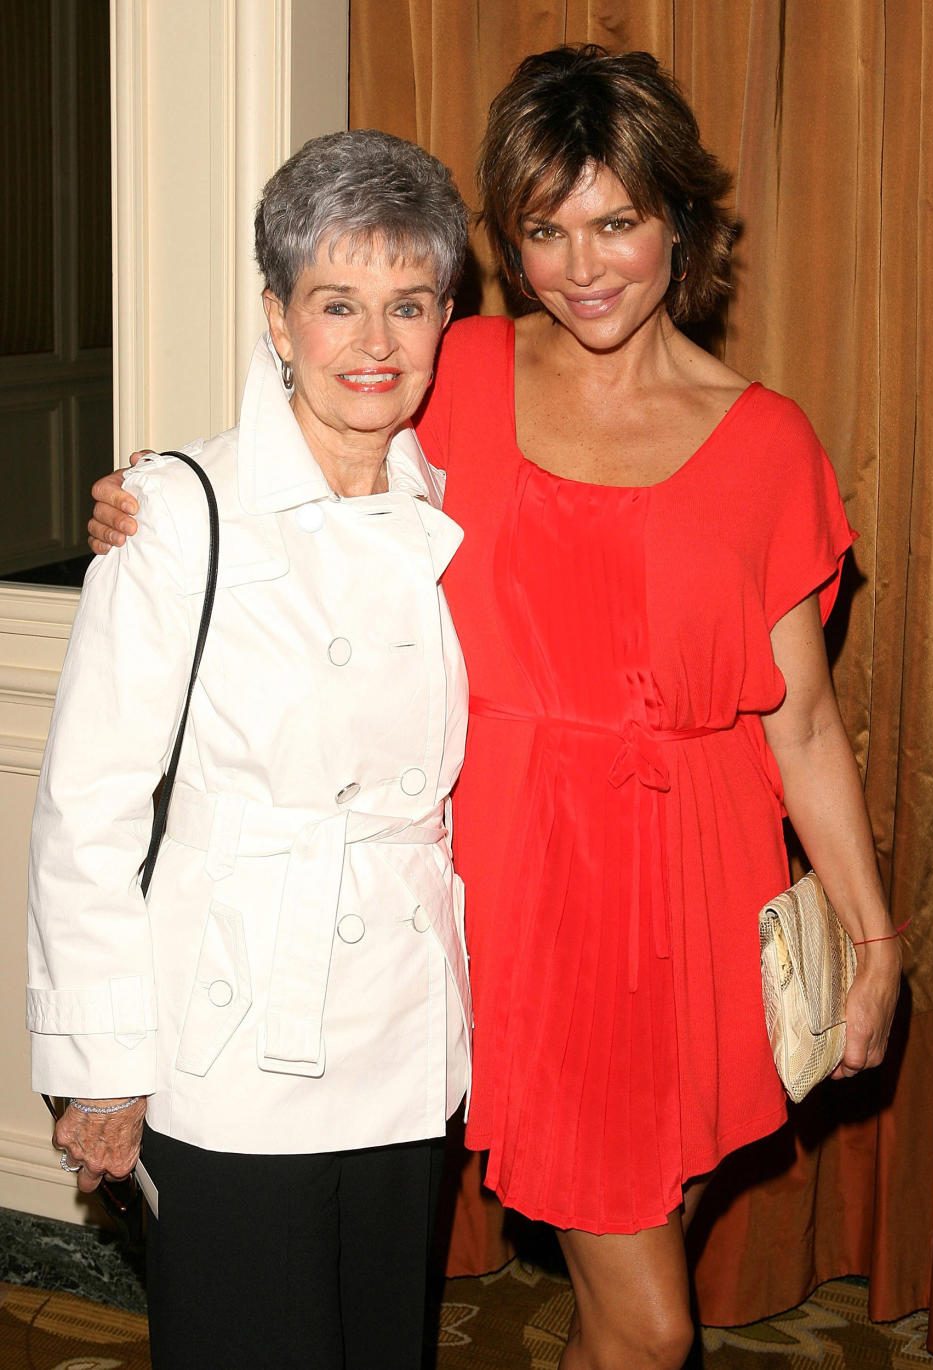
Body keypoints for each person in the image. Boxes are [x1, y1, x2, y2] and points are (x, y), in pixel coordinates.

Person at [87, 46, 902, 1370]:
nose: (582, 267)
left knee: (623, 1294)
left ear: (680, 223)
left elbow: (799, 721)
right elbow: (305, 442)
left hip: (697, 885)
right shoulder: (456, 368)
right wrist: (157, 490)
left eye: (616, 222)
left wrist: (872, 933)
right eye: (544, 230)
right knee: (651, 1325)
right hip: (532, 890)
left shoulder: (768, 441)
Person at [28, 129, 471, 1370]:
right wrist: (100, 1067)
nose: (374, 344)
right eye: (337, 304)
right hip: (230, 1046)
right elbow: (92, 806)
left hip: (401, 1033)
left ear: (445, 319)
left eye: (407, 304)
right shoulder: (178, 512)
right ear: (278, 318)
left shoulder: (454, 505)